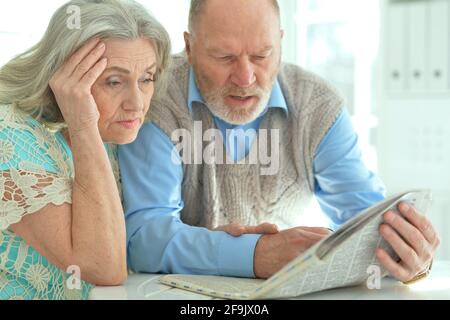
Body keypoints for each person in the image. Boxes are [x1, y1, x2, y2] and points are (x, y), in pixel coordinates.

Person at [119, 0, 439, 283]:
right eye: (224, 56)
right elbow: (145, 241)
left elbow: (367, 225)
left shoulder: (318, 106)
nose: (245, 78)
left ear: (281, 43)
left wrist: (407, 255)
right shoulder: (155, 98)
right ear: (189, 47)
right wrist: (257, 254)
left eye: (262, 55)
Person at [0, 0, 170, 300]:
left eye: (146, 79)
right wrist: (82, 123)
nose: (137, 103)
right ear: (65, 77)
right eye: (114, 81)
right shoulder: (12, 138)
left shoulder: (111, 133)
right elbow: (104, 269)